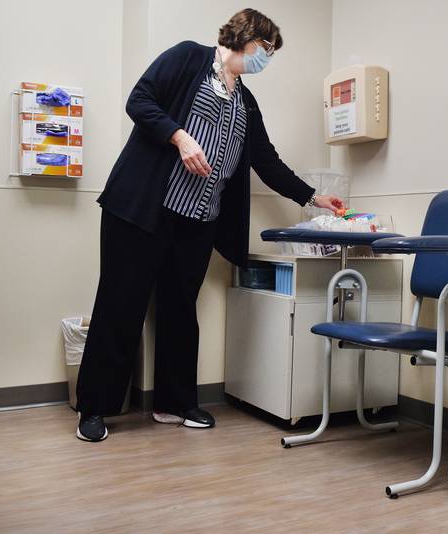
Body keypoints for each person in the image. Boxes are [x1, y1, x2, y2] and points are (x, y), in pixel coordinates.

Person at [75, 8, 344, 442]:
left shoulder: (245, 100)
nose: (266, 59)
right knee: (120, 305)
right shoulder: (187, 59)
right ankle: (94, 407)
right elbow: (139, 100)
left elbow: (265, 160)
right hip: (143, 211)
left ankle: (174, 402)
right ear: (246, 37)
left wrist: (314, 198)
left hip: (197, 221)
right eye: (266, 49)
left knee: (181, 310)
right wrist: (179, 137)